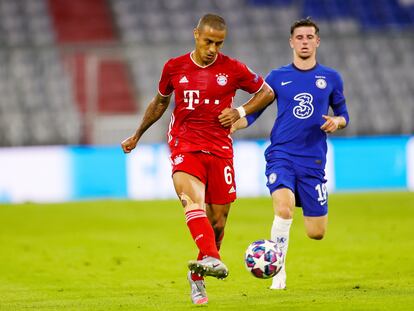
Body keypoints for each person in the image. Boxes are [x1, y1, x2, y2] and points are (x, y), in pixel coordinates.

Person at [121, 14, 274, 304]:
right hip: (185, 145)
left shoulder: (233, 69)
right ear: (196, 35)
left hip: (219, 149)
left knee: (218, 223)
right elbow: (160, 103)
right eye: (208, 41)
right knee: (191, 201)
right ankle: (214, 259)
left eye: (218, 43)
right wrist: (137, 134)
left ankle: (198, 275)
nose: (213, 48)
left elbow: (267, 92)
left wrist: (240, 112)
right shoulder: (174, 67)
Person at [224, 17, 350, 290]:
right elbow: (255, 112)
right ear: (291, 41)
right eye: (299, 37)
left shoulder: (330, 78)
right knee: (283, 208)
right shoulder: (277, 77)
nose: (304, 42)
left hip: (313, 160)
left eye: (309, 37)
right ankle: (277, 269)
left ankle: (280, 254)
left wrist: (335, 122)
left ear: (317, 41)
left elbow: (344, 116)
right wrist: (236, 122)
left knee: (316, 232)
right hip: (281, 154)